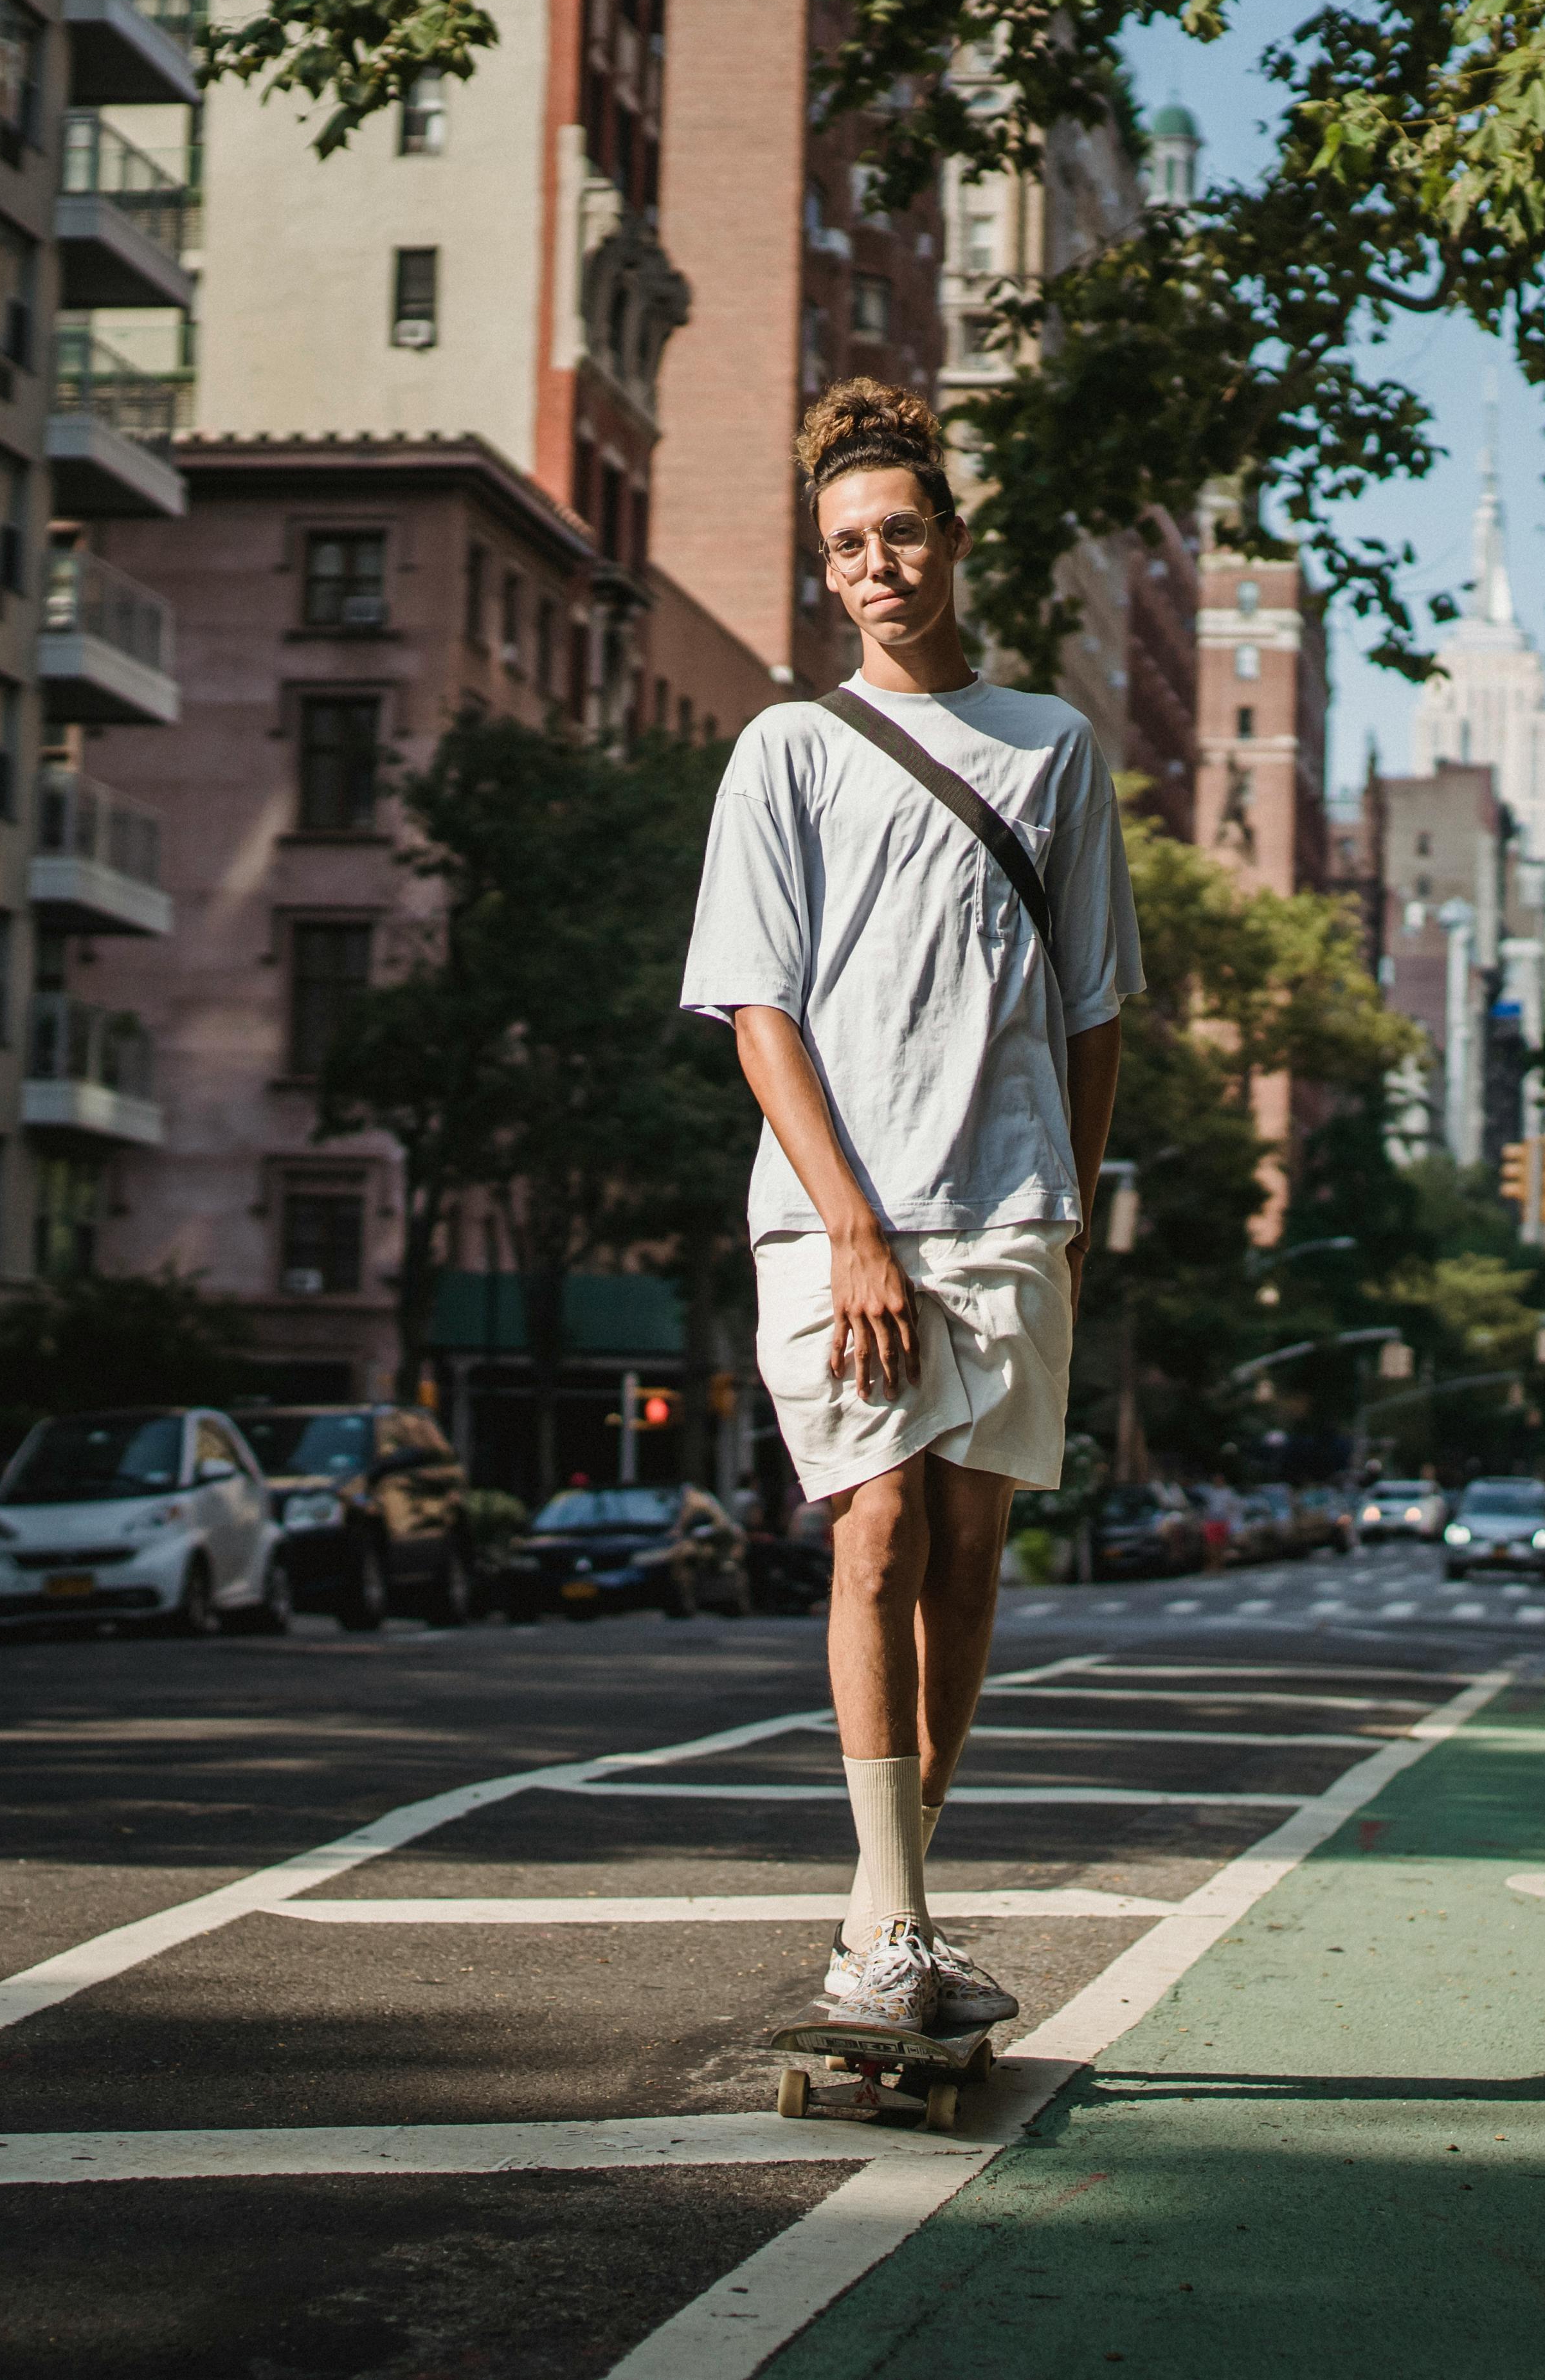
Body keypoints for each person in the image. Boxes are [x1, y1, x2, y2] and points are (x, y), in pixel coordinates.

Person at [678, 379, 1141, 2036]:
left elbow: (1094, 1010)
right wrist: (853, 1225)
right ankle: (887, 1924)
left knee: (965, 1551)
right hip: (833, 1221)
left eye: (897, 533)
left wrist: (1069, 1204)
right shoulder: (785, 748)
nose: (874, 564)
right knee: (872, 1529)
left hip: (1008, 1209)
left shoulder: (1052, 746)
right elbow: (755, 1006)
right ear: (826, 570)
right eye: (843, 546)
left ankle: (896, 1905)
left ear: (950, 539)